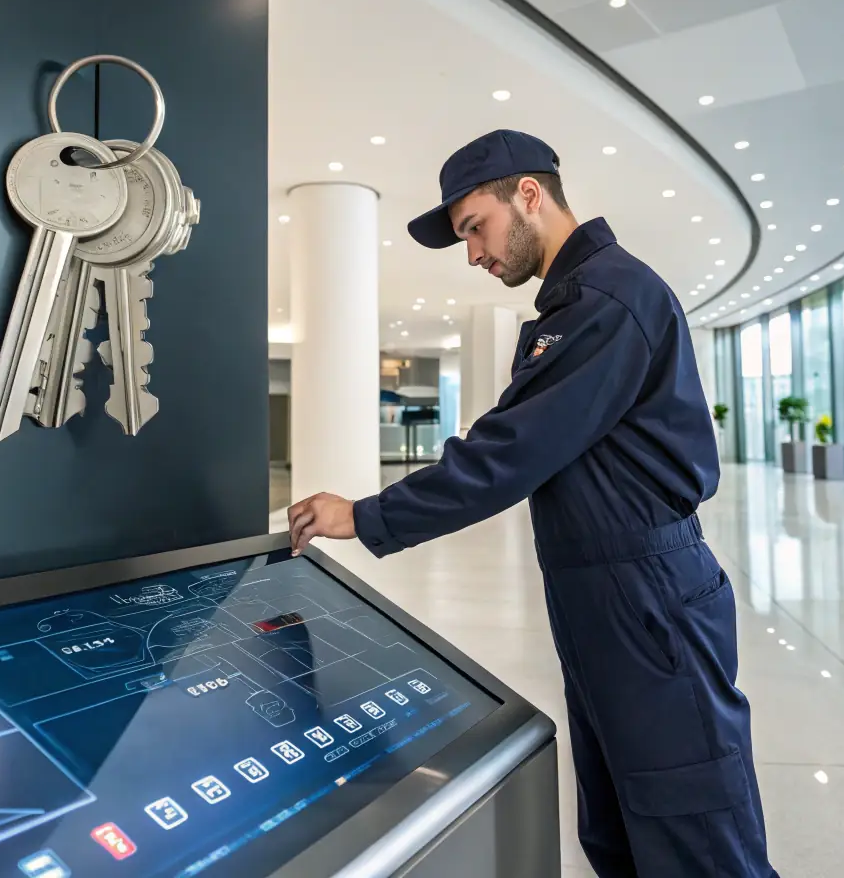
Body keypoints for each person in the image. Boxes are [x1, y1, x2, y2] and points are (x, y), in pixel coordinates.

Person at [288, 129, 779, 878]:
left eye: (473, 228)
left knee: (691, 830)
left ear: (528, 194)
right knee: (619, 823)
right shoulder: (572, 303)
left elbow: (510, 451)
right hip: (599, 589)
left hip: (645, 592)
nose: (474, 254)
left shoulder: (605, 298)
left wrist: (364, 514)